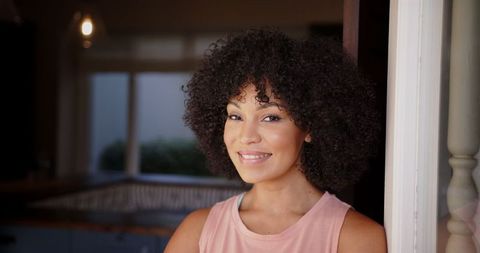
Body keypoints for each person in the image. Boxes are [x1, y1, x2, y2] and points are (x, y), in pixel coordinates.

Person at [164, 29, 387, 253]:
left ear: (310, 126)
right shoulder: (197, 232)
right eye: (235, 116)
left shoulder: (356, 239)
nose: (246, 136)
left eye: (270, 117)